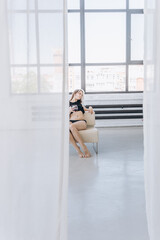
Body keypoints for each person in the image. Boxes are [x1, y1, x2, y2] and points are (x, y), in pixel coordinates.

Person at [69, 89, 94, 158]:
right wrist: (69, 111)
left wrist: (90, 108)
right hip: (71, 121)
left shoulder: (80, 104)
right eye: (79, 93)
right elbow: (64, 116)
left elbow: (90, 111)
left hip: (81, 122)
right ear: (75, 93)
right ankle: (78, 150)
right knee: (68, 129)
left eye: (81, 95)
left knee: (71, 126)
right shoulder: (68, 104)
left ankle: (85, 148)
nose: (81, 95)